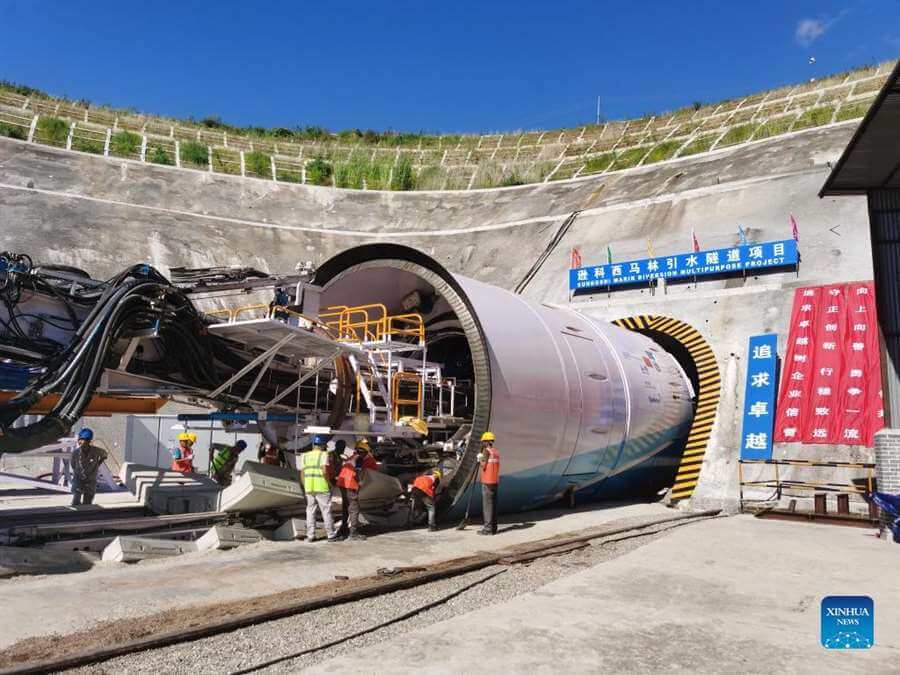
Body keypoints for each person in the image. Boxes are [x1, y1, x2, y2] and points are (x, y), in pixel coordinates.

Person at [301, 435, 337, 542]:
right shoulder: (323, 455)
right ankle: (330, 534)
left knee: (310, 511)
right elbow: (324, 471)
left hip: (309, 488)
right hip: (321, 486)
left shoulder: (304, 456)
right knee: (326, 510)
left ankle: (310, 535)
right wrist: (329, 483)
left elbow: (302, 473)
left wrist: (305, 486)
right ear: (321, 445)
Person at [70, 428, 108, 506]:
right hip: (79, 477)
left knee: (88, 500)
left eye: (85, 442)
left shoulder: (97, 451)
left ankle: (86, 513)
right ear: (78, 442)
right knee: (76, 498)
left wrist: (97, 464)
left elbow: (105, 455)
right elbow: (73, 465)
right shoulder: (75, 453)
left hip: (91, 478)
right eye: (80, 441)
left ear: (89, 442)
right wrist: (78, 473)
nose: (82, 444)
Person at [335, 444, 366, 541]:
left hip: (342, 482)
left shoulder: (351, 458)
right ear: (363, 452)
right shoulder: (359, 459)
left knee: (346, 506)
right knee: (354, 508)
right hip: (349, 483)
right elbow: (357, 472)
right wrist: (360, 483)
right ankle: (353, 532)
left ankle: (343, 528)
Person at [477, 431, 500, 535]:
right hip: (495, 481)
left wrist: (479, 459)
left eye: (483, 441)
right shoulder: (495, 452)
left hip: (487, 482)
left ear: (486, 442)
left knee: (487, 506)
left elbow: (483, 465)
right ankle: (494, 528)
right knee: (493, 506)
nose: (482, 443)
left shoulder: (486, 451)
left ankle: (487, 530)